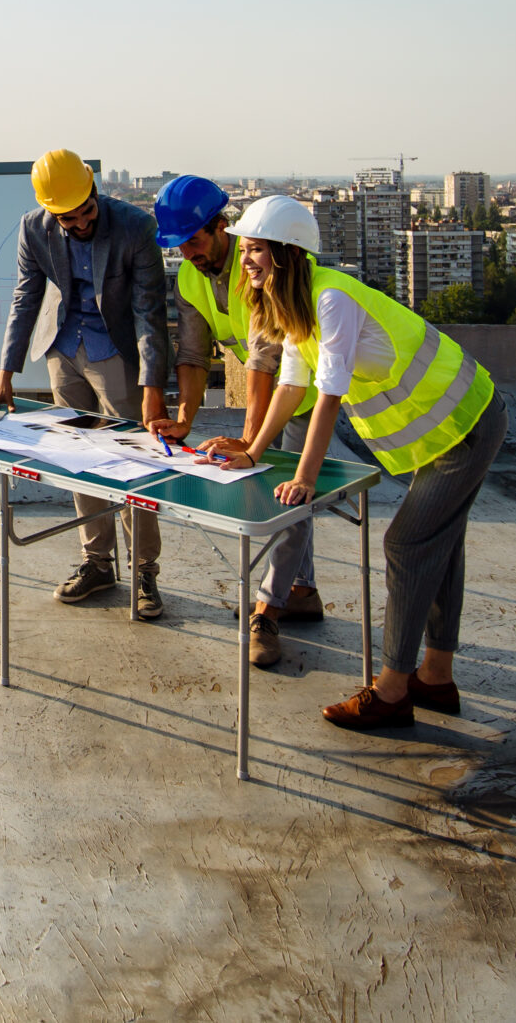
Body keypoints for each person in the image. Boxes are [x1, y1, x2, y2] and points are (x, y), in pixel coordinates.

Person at [196, 194, 509, 730]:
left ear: (288, 254)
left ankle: (391, 692)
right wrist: (253, 449)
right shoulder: (297, 309)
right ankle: (435, 678)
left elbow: (328, 397)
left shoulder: (332, 300)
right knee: (440, 547)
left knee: (407, 544)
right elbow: (292, 386)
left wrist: (304, 478)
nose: (244, 261)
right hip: (446, 432)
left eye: (255, 250)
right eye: (244, 250)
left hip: (468, 424)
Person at [0, 150, 173, 621]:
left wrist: (150, 386)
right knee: (80, 459)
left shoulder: (134, 227)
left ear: (93, 190)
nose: (82, 222)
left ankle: (145, 570)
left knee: (133, 464)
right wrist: (5, 377)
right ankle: (98, 562)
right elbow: (27, 298)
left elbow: (150, 312)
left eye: (88, 210)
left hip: (116, 352)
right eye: (69, 217)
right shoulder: (33, 228)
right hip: (63, 350)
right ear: (50, 211)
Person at [144, 176, 325, 668]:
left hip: (301, 388)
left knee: (287, 496)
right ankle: (301, 590)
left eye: (195, 241)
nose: (189, 253)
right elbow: (193, 351)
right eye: (179, 246)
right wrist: (184, 418)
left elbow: (264, 359)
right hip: (272, 383)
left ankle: (267, 609)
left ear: (220, 227)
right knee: (290, 499)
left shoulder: (255, 268)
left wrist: (250, 440)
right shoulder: (189, 277)